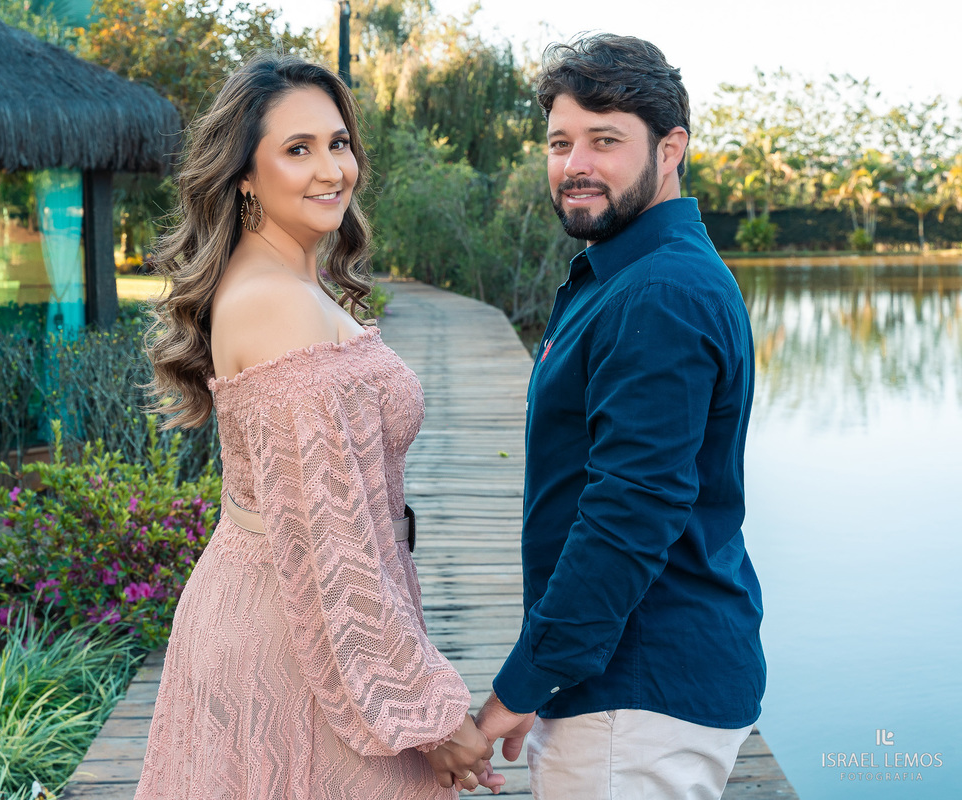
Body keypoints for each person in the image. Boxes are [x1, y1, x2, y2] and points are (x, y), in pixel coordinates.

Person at [135, 53, 500, 799]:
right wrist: (432, 717)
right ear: (243, 173)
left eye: (337, 143)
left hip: (284, 608)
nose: (330, 169)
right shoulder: (277, 302)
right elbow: (332, 547)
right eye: (296, 150)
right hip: (293, 636)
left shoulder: (289, 279)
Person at [475, 34, 766, 799]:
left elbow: (627, 515)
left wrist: (519, 687)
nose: (576, 165)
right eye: (560, 142)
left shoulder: (658, 293)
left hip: (634, 700)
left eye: (605, 141)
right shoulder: (629, 274)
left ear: (671, 149)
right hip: (623, 683)